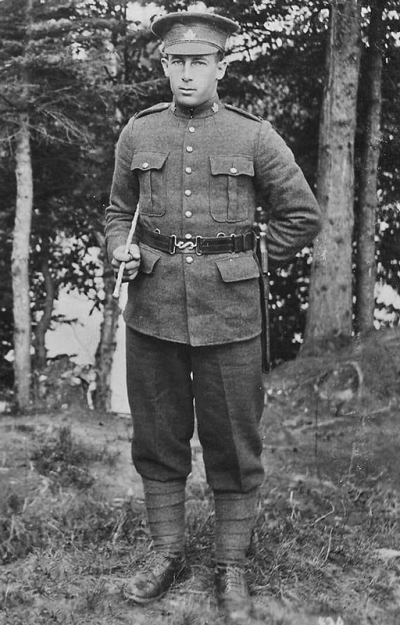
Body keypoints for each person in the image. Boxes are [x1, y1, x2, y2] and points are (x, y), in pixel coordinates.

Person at [105, 10, 322, 623]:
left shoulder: (253, 136)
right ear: (165, 65)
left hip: (230, 316)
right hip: (152, 310)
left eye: (199, 62)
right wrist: (121, 248)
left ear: (220, 67)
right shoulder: (139, 132)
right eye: (177, 62)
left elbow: (301, 215)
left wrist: (252, 261)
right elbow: (118, 212)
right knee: (157, 438)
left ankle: (231, 565)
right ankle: (165, 555)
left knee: (234, 443)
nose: (187, 74)